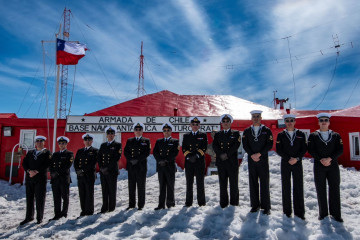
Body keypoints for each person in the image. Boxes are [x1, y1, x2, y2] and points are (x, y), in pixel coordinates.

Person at [308, 113, 344, 222]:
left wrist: (329, 159)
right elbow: (311, 150)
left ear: (329, 122)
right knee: (321, 189)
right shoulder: (313, 136)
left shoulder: (336, 135)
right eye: (321, 120)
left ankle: (336, 214)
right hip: (319, 165)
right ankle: (323, 214)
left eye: (326, 120)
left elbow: (340, 150)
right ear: (318, 122)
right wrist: (321, 159)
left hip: (332, 165)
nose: (324, 122)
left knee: (334, 188)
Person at [276, 114, 307, 220]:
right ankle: (287, 211)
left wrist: (296, 158)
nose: (289, 122)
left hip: (297, 163)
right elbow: (279, 149)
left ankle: (299, 212)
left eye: (291, 120)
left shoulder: (301, 134)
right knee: (286, 186)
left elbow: (304, 148)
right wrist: (288, 158)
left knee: (298, 186)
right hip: (285, 163)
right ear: (285, 122)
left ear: (295, 122)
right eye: (287, 120)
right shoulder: (281, 135)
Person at [242, 110, 273, 215]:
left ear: (261, 118)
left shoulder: (266, 130)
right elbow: (245, 145)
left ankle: (266, 206)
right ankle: (255, 205)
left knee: (264, 182)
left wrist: (259, 154)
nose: (255, 118)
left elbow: (269, 144)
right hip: (252, 160)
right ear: (251, 118)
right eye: (254, 116)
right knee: (253, 182)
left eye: (257, 116)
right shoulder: (247, 131)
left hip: (263, 160)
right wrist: (252, 154)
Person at [20, 136, 51, 225]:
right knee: (29, 198)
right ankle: (29, 217)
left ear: (44, 142)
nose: (39, 143)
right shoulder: (30, 152)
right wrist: (29, 171)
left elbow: (47, 164)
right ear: (35, 143)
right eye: (37, 141)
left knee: (39, 198)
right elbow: (24, 163)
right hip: (30, 178)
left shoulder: (46, 152)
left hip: (40, 178)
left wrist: (36, 171)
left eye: (41, 141)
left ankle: (39, 218)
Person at [212, 114, 241, 208]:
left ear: (230, 123)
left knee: (234, 183)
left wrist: (226, 154)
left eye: (227, 121)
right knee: (222, 183)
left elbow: (236, 145)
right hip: (221, 162)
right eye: (223, 121)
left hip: (232, 162)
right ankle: (223, 203)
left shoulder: (235, 133)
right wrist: (221, 154)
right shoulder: (217, 134)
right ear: (221, 123)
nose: (225, 123)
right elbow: (215, 146)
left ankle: (234, 203)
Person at [124, 122, 151, 210]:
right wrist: (131, 160)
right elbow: (126, 152)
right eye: (136, 130)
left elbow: (146, 153)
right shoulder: (130, 140)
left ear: (142, 131)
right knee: (131, 186)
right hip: (131, 165)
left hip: (141, 166)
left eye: (140, 130)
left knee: (141, 186)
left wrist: (137, 159)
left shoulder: (146, 141)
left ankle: (141, 205)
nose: (138, 131)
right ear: (134, 131)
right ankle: (131, 204)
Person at [182, 116, 208, 207]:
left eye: (197, 124)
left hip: (199, 162)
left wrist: (196, 155)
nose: (195, 126)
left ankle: (201, 202)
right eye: (193, 124)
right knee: (189, 183)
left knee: (200, 182)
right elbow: (184, 148)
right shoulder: (186, 136)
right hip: (189, 162)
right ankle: (188, 202)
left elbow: (204, 147)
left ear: (199, 125)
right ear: (190, 125)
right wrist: (189, 157)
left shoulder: (203, 135)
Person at [153, 123, 179, 210]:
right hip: (161, 167)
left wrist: (166, 160)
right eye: (165, 130)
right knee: (162, 186)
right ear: (163, 132)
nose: (166, 132)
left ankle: (170, 203)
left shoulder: (175, 141)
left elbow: (174, 153)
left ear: (171, 131)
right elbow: (155, 152)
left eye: (168, 130)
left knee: (170, 185)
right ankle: (161, 204)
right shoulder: (159, 141)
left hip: (169, 166)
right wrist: (160, 161)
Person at [97, 126, 122, 213]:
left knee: (112, 190)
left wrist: (107, 168)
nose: (110, 135)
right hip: (103, 171)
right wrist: (101, 167)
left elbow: (116, 158)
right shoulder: (103, 145)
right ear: (106, 135)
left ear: (114, 135)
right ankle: (104, 208)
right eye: (109, 134)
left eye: (112, 134)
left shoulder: (117, 145)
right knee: (104, 190)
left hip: (111, 171)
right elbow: (99, 157)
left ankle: (111, 208)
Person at [49, 136, 74, 221]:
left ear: (66, 144)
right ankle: (57, 214)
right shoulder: (55, 154)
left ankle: (64, 213)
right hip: (55, 179)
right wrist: (52, 173)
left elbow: (67, 166)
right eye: (60, 143)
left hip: (63, 179)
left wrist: (57, 172)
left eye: (63, 143)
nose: (61, 145)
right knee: (56, 197)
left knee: (65, 197)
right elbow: (51, 165)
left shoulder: (69, 154)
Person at [74, 133, 98, 217]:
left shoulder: (95, 151)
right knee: (82, 193)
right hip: (80, 175)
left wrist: (83, 170)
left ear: (92, 141)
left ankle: (89, 210)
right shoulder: (80, 151)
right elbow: (76, 162)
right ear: (83, 141)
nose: (87, 141)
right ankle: (83, 210)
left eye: (89, 140)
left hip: (89, 175)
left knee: (89, 193)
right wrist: (77, 170)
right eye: (86, 140)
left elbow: (93, 163)